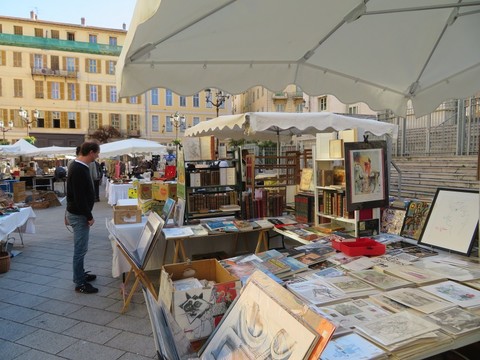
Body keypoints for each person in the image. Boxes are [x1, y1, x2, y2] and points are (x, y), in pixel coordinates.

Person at [66, 141, 100, 294]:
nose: (98, 156)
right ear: (91, 152)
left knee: (81, 248)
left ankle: (81, 274)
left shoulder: (77, 165)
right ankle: (79, 283)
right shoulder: (79, 168)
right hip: (79, 215)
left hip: (77, 212)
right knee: (80, 249)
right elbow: (79, 197)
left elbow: (73, 193)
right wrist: (89, 216)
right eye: (97, 153)